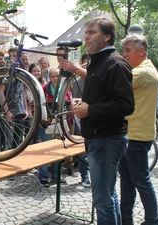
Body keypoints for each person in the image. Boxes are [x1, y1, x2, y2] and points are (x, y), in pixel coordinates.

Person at [60, 16, 135, 224]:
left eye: (92, 33)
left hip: (107, 139)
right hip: (99, 137)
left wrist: (90, 109)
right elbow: (105, 96)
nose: (87, 37)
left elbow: (126, 106)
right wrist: (83, 102)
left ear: (107, 37)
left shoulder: (116, 63)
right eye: (86, 33)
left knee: (102, 200)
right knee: (108, 196)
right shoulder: (97, 61)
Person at [119, 34, 158, 225]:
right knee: (127, 180)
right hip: (132, 133)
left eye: (128, 50)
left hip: (136, 136)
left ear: (141, 51)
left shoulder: (143, 72)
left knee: (141, 181)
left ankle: (153, 221)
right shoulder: (142, 69)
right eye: (124, 50)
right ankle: (126, 217)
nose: (124, 54)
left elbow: (115, 80)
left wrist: (83, 70)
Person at [38, 67, 69, 187]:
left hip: (61, 122)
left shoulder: (65, 88)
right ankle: (43, 176)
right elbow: (37, 104)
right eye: (53, 76)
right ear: (49, 77)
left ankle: (57, 176)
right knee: (44, 151)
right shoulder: (44, 89)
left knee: (58, 150)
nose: (55, 78)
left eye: (57, 76)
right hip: (47, 122)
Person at [68, 52, 91, 188]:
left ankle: (91, 175)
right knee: (82, 148)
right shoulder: (78, 80)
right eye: (85, 63)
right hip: (81, 117)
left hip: (94, 116)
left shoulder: (96, 78)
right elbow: (74, 97)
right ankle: (84, 176)